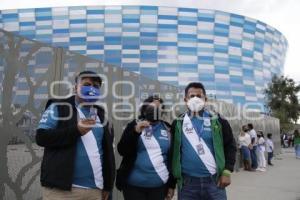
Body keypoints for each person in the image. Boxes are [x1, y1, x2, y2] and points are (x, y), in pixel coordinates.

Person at [36, 71, 115, 200]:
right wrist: (76, 130)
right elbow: (41, 137)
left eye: (96, 86)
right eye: (87, 84)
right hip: (62, 191)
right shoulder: (59, 106)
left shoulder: (102, 114)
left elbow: (107, 152)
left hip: (95, 191)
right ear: (75, 87)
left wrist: (108, 185)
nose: (91, 88)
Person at [171, 82, 237, 200]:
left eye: (199, 96)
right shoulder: (178, 123)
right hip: (187, 184)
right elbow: (173, 152)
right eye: (192, 96)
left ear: (205, 99)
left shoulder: (218, 120)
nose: (195, 99)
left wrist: (227, 171)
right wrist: (171, 183)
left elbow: (230, 146)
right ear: (185, 99)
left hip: (214, 182)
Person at [116, 96, 176, 200]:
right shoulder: (134, 124)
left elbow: (172, 158)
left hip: (159, 187)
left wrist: (171, 185)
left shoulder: (168, 128)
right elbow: (122, 150)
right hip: (133, 187)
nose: (155, 110)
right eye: (152, 106)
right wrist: (135, 132)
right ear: (145, 108)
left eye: (159, 107)